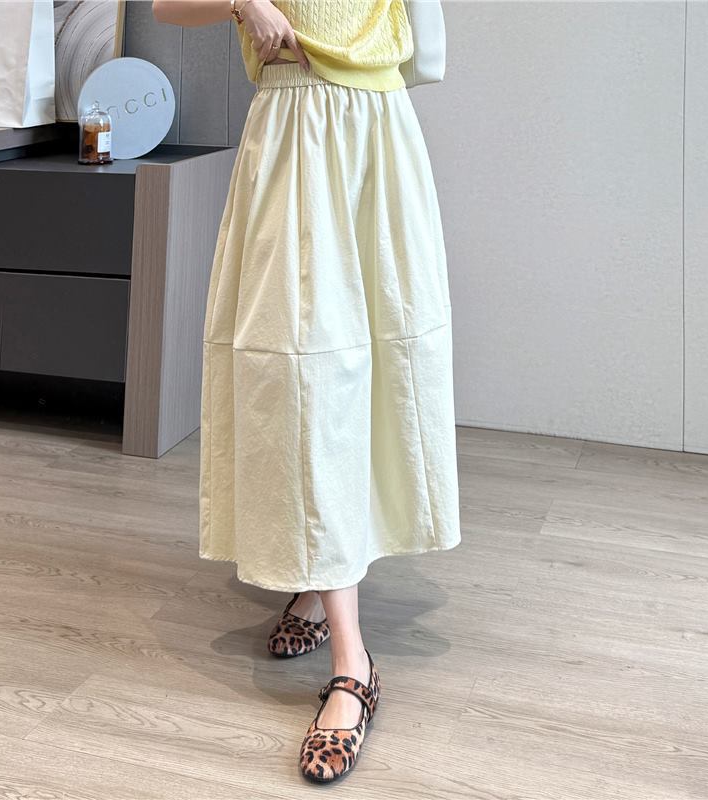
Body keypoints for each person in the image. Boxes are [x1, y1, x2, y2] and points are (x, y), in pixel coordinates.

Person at [153, 0, 461, 783]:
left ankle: (327, 600)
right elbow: (164, 6)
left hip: (377, 129)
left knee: (374, 372)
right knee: (305, 379)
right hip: (292, 129)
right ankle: (353, 659)